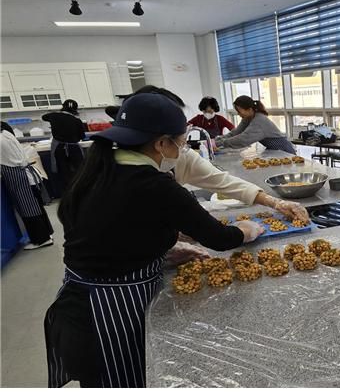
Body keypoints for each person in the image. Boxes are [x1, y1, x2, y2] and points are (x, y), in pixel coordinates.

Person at [44, 93, 265, 388]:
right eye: (181, 140)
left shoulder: (98, 168)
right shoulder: (156, 185)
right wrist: (248, 229)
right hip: (112, 315)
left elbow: (112, 231)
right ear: (161, 143)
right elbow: (220, 238)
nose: (183, 146)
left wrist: (161, 247)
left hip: (75, 304)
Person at [105, 87, 308, 222]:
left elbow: (223, 181)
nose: (183, 141)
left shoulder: (180, 156)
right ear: (161, 142)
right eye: (181, 135)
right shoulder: (128, 174)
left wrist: (275, 202)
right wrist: (237, 234)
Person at [1, 121, 53, 250]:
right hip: (25, 174)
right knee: (35, 206)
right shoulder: (6, 133)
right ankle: (46, 234)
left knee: (28, 209)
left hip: (18, 176)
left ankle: (41, 239)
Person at [215, 96, 296, 154]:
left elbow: (244, 139)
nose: (238, 114)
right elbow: (236, 133)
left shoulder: (259, 120)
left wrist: (221, 143)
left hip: (284, 151)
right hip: (273, 150)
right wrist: (216, 141)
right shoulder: (247, 118)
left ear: (250, 109)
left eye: (239, 111)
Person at [42, 99, 87, 190]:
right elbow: (82, 136)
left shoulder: (53, 116)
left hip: (59, 148)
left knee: (64, 172)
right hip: (73, 148)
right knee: (79, 171)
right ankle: (82, 191)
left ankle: (68, 194)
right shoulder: (77, 121)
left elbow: (44, 117)